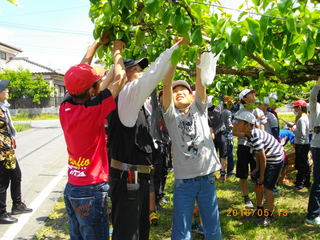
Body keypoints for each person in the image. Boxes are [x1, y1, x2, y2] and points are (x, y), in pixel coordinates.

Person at [107, 38, 187, 240]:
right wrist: (175, 48)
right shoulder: (127, 93)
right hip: (129, 179)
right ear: (124, 76)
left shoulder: (132, 102)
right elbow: (153, 74)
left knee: (138, 231)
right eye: (135, 69)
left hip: (133, 178)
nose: (140, 72)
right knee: (129, 234)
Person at [59, 35, 127, 240]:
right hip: (91, 188)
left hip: (72, 187)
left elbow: (80, 72)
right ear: (91, 90)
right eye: (96, 82)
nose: (99, 83)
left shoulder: (65, 107)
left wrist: (97, 43)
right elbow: (121, 79)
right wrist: (117, 51)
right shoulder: (94, 110)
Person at [162, 54, 222, 239]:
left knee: (212, 226)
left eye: (183, 90)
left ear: (191, 95)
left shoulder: (199, 108)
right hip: (184, 181)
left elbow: (201, 84)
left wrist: (198, 65)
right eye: (175, 91)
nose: (179, 92)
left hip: (207, 178)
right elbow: (166, 85)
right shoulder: (170, 115)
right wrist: (173, 58)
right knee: (181, 229)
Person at [234, 111, 284, 226]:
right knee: (258, 184)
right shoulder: (249, 134)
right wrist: (257, 168)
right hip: (266, 157)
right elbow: (257, 153)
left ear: (248, 125)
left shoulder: (254, 136)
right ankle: (260, 210)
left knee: (267, 188)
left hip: (274, 159)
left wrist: (262, 175)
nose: (236, 124)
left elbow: (263, 157)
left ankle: (270, 215)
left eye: (239, 122)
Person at [0, 80, 32, 224]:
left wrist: (11, 139)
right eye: (4, 89)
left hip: (7, 150)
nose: (7, 91)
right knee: (3, 181)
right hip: (2, 151)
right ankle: (1, 213)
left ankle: (17, 205)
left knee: (16, 175)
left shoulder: (3, 107)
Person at [233, 89, 267, 209]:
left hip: (257, 147)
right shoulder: (239, 114)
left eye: (253, 93)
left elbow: (262, 127)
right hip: (244, 146)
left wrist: (260, 137)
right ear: (244, 99)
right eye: (250, 94)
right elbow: (235, 132)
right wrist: (247, 135)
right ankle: (246, 197)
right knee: (243, 173)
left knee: (258, 173)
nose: (254, 95)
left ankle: (260, 199)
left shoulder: (259, 112)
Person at [305, 77, 320, 225]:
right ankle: (312, 215)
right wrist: (317, 84)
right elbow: (313, 98)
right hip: (318, 147)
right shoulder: (317, 110)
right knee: (318, 181)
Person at [292, 99, 310, 190]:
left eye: (295, 107)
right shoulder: (304, 117)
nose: (294, 109)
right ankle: (306, 181)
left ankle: (300, 183)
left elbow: (302, 134)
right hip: (304, 144)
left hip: (301, 145)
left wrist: (294, 129)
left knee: (300, 164)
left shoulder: (302, 119)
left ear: (299, 107)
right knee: (304, 163)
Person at [208, 99, 228, 182]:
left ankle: (217, 174)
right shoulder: (219, 107)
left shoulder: (205, 112)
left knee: (213, 156)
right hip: (218, 133)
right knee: (222, 155)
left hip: (216, 134)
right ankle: (221, 174)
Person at [221, 96, 235, 176]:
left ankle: (222, 170)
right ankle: (229, 171)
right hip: (228, 134)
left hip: (221, 133)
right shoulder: (228, 112)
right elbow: (230, 125)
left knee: (222, 154)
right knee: (230, 154)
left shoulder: (221, 111)